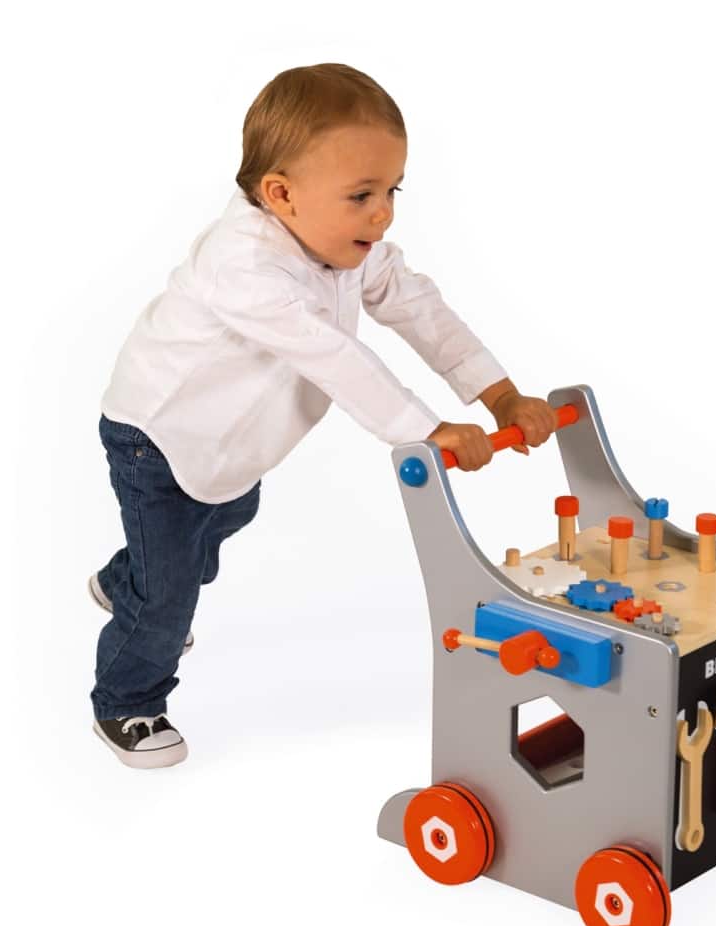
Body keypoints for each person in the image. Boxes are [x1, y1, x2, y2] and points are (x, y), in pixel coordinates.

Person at [90, 63, 558, 768]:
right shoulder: (243, 266)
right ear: (281, 195)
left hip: (232, 444)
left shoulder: (338, 242)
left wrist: (498, 394)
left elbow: (418, 307)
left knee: (224, 517)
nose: (383, 214)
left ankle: (129, 579)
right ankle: (127, 700)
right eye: (362, 195)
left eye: (392, 190)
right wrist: (428, 431)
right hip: (157, 436)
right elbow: (335, 359)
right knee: (167, 599)